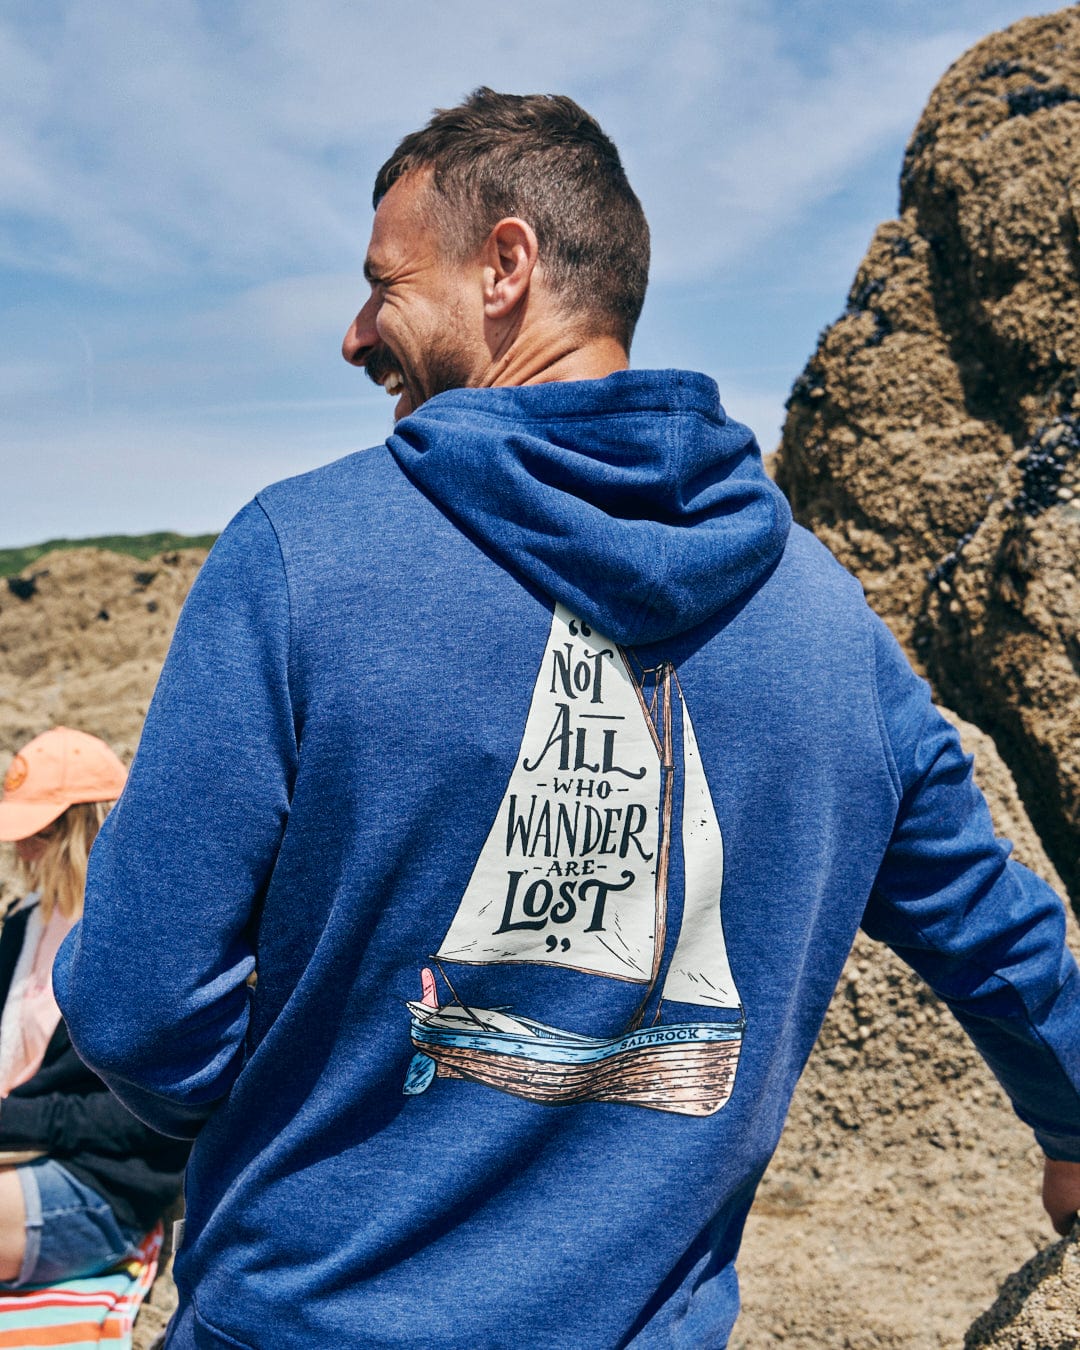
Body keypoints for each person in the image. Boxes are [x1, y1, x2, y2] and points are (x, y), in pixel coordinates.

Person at [55, 89, 1080, 1349]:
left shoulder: (297, 557)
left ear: (506, 267)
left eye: (384, 282)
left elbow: (136, 1014)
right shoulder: (830, 624)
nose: (353, 333)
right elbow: (999, 936)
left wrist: (287, 1095)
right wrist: (1074, 1130)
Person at [0, 726, 189, 1290]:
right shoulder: (22, 923)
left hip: (102, 1183)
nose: (21, 850)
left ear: (83, 826)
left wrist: (11, 1121)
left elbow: (149, 1118)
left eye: (37, 832)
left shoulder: (139, 940)